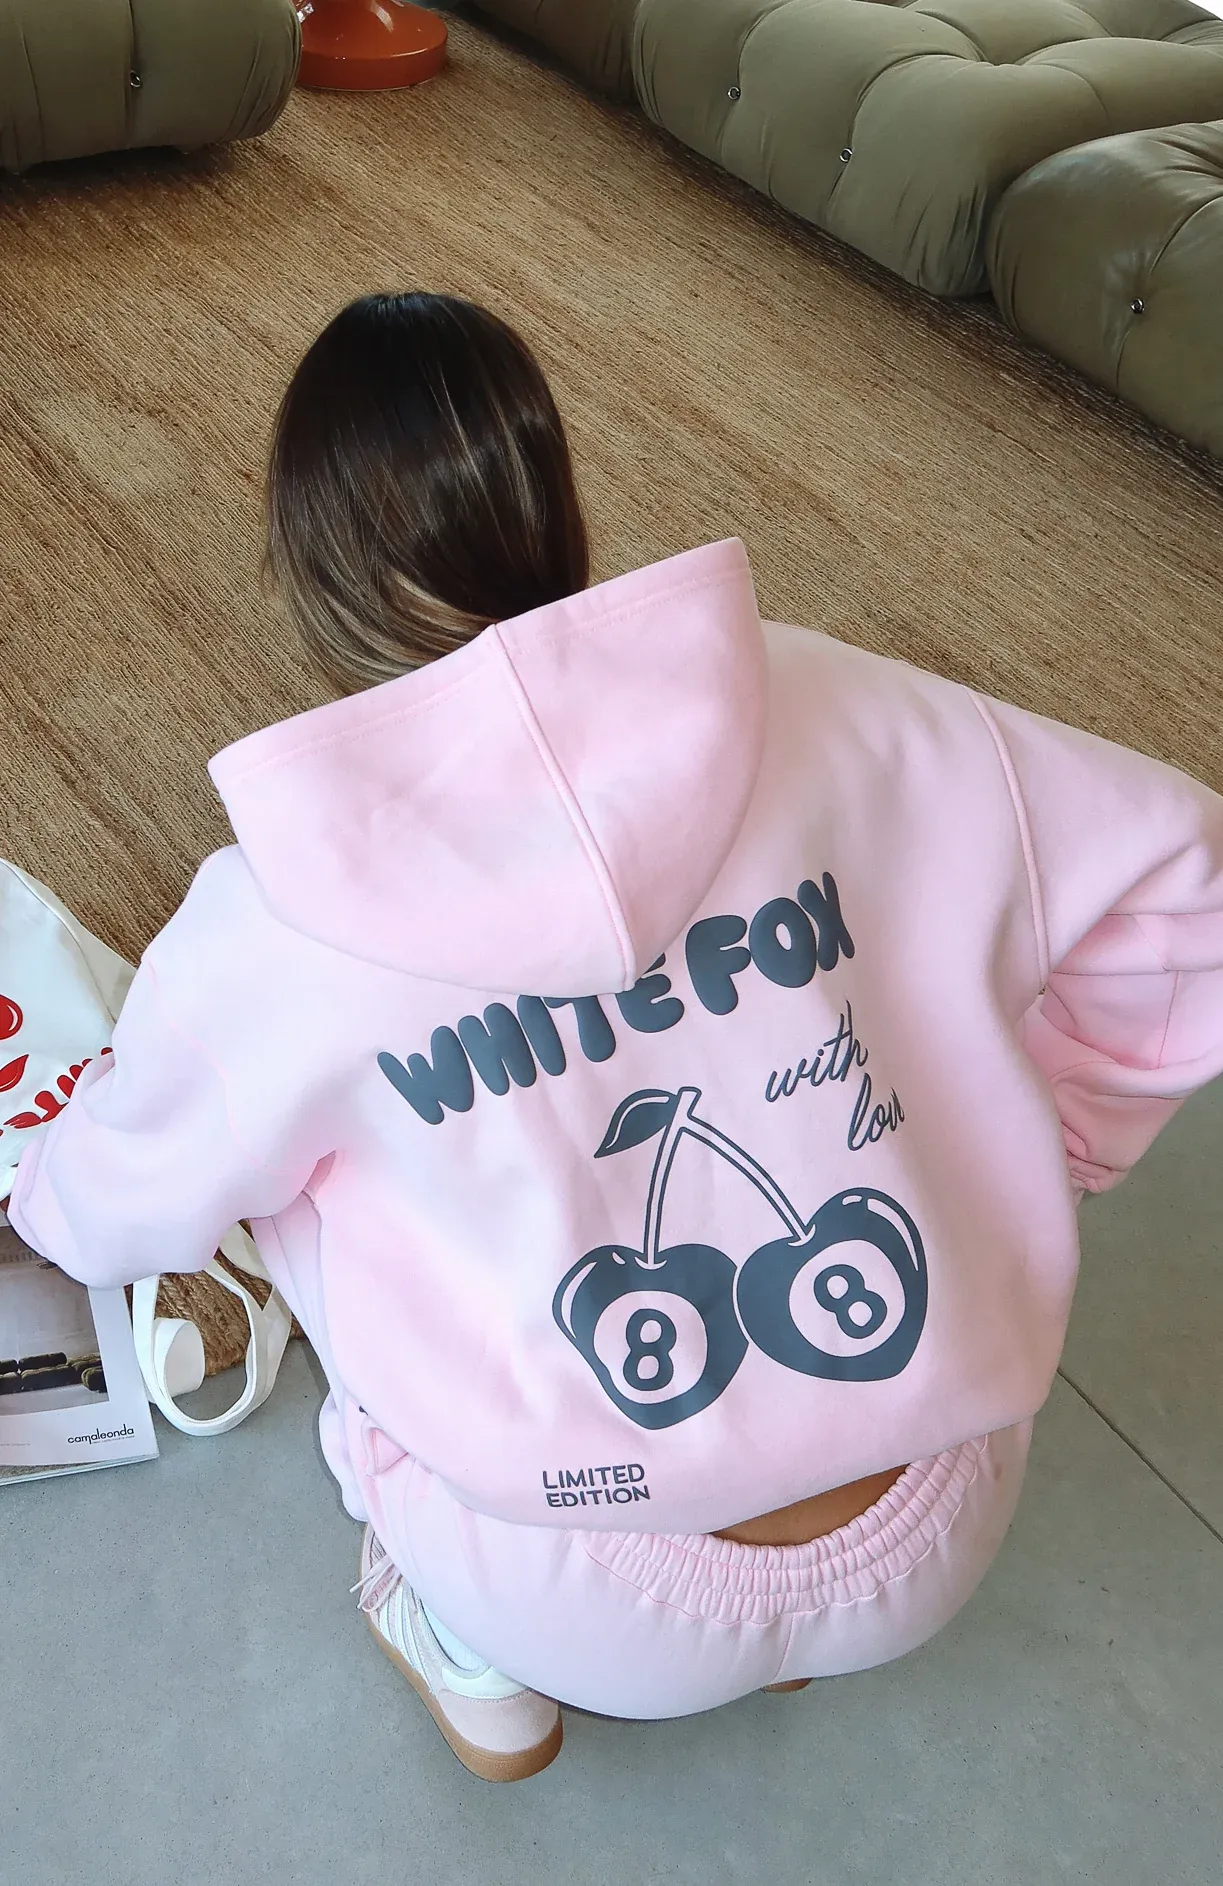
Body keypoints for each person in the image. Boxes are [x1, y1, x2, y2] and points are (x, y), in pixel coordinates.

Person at [11, 293, 1223, 1783]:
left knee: (302, 1189)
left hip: (573, 1588)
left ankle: (465, 1648)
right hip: (935, 1509)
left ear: (307, 583)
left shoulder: (269, 919)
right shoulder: (825, 694)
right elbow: (1189, 883)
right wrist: (1058, 1132)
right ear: (556, 508)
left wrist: (53, 1175)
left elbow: (111, 1215)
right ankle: (801, 1617)